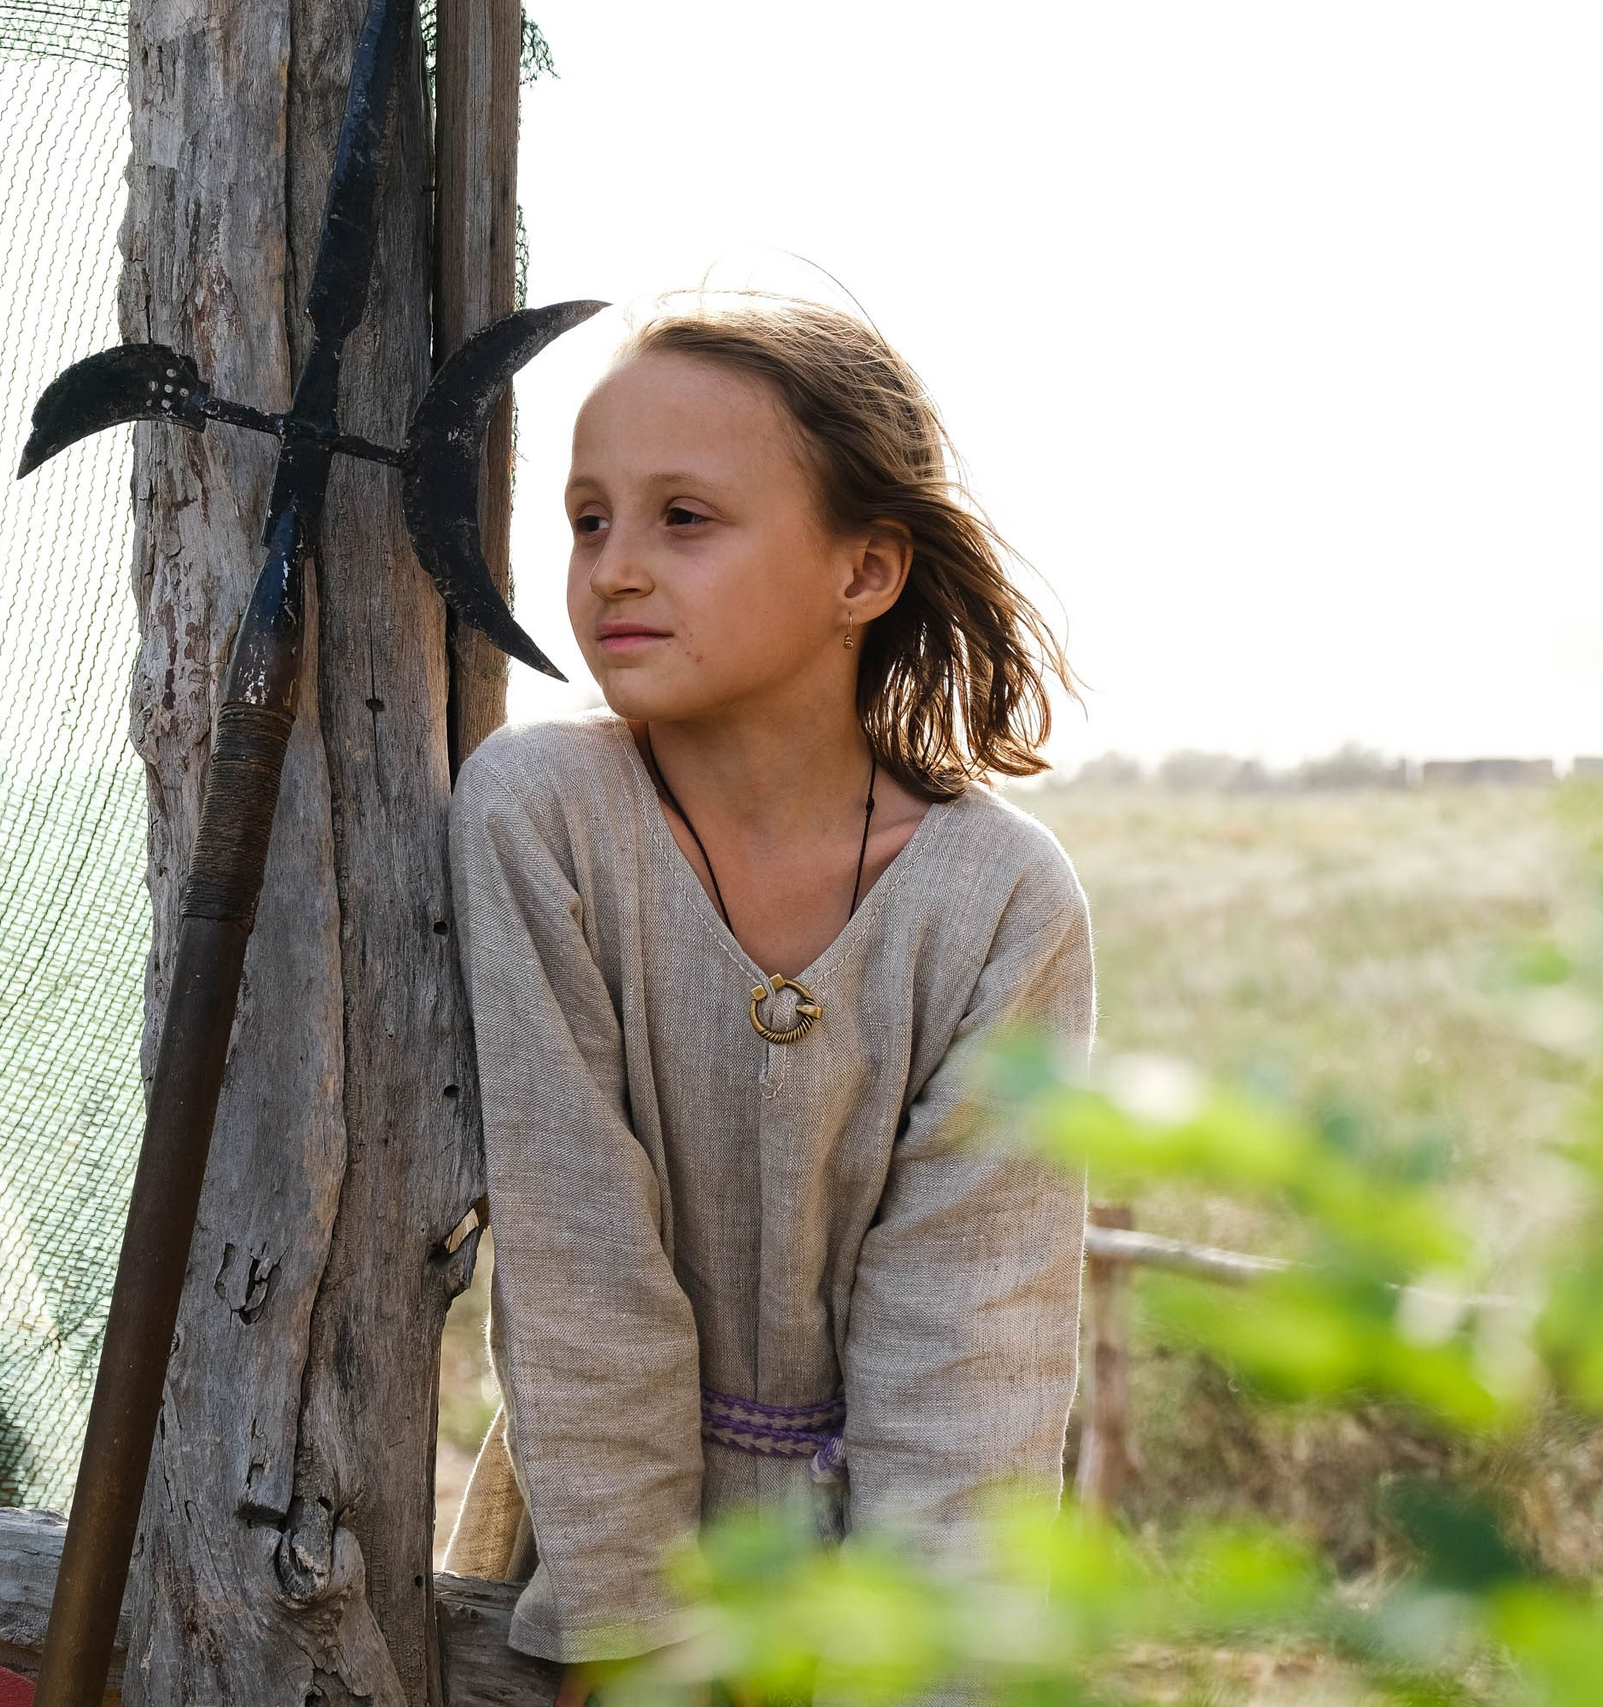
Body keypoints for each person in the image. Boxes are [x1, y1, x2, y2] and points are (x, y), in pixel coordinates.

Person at [441, 294, 1095, 1692]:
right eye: (588, 518)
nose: (615, 567)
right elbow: (579, 1272)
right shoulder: (545, 818)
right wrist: (642, 1647)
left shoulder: (995, 902)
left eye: (686, 518)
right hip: (607, 1562)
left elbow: (971, 1349)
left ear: (864, 571)